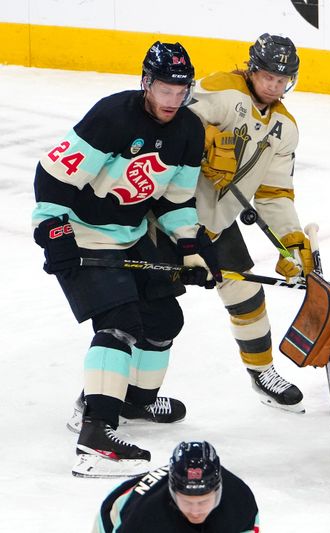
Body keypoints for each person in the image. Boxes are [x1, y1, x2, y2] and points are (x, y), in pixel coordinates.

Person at [32, 41, 220, 477]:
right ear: (146, 83)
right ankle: (96, 434)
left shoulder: (189, 131)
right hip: (82, 234)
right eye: (163, 89)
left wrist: (190, 247)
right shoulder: (112, 116)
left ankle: (131, 401)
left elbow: (175, 200)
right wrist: (53, 231)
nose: (172, 100)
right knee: (119, 326)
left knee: (162, 323)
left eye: (180, 90)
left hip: (131, 235)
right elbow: (53, 176)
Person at [184, 32, 310, 412]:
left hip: (217, 222)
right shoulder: (220, 90)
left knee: (247, 298)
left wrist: (292, 240)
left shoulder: (284, 127)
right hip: (171, 215)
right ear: (253, 69)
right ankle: (113, 396)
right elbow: (168, 124)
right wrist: (202, 139)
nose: (274, 85)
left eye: (282, 79)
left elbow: (273, 193)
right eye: (269, 76)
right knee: (144, 310)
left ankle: (262, 372)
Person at [93, 441, 260, 532]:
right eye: (187, 502)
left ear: (218, 492)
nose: (195, 511)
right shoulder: (144, 517)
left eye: (203, 502)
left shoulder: (240, 502)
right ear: (173, 494)